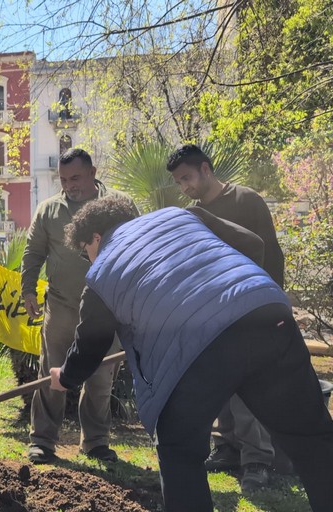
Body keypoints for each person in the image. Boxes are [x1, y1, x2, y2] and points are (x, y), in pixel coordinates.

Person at [50, 196, 333, 511]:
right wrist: (247, 292)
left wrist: (66, 377)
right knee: (312, 437)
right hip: (266, 316)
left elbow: (91, 342)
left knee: (180, 452)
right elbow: (252, 243)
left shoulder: (102, 272)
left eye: (84, 250)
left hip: (195, 352)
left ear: (96, 238)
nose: (88, 258)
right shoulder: (181, 216)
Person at [167, 144, 282, 490]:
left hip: (251, 308)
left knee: (247, 388)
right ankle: (228, 447)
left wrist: (274, 305)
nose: (184, 187)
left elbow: (272, 253)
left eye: (186, 178)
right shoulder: (191, 214)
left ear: (205, 168)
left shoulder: (246, 201)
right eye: (178, 182)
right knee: (219, 385)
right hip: (211, 313)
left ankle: (257, 460)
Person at [21, 148, 132, 464]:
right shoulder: (49, 210)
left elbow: (137, 248)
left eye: (76, 178)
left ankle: (96, 442)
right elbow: (33, 253)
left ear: (93, 172)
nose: (70, 185)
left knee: (100, 379)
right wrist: (28, 290)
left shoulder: (119, 206)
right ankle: (42, 440)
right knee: (51, 376)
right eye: (64, 179)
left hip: (106, 309)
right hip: (62, 308)